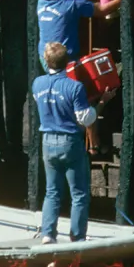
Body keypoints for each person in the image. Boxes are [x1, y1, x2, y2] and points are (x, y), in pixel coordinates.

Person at [32, 42, 96, 244]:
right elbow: (85, 119)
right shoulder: (75, 87)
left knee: (52, 191)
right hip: (69, 141)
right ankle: (77, 236)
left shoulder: (37, 83)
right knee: (79, 193)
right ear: (67, 62)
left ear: (46, 61)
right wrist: (99, 104)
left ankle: (48, 234)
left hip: (47, 141)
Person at [36, 0, 119, 63]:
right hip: (64, 61)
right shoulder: (73, 5)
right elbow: (101, 10)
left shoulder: (41, 1)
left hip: (44, 57)